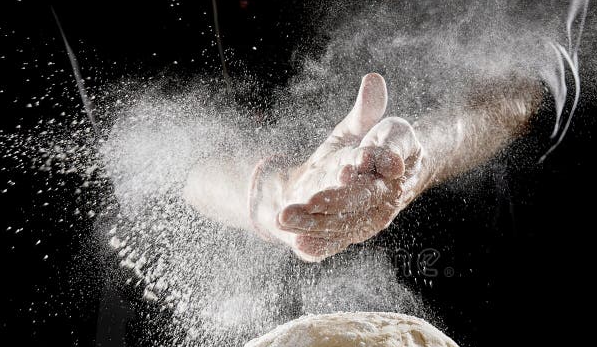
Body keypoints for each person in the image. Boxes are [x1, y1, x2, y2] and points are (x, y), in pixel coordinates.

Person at [185, 73, 543, 262]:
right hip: (267, 311)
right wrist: (279, 197)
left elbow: (523, 87)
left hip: (473, 282)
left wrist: (418, 158)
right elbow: (183, 164)